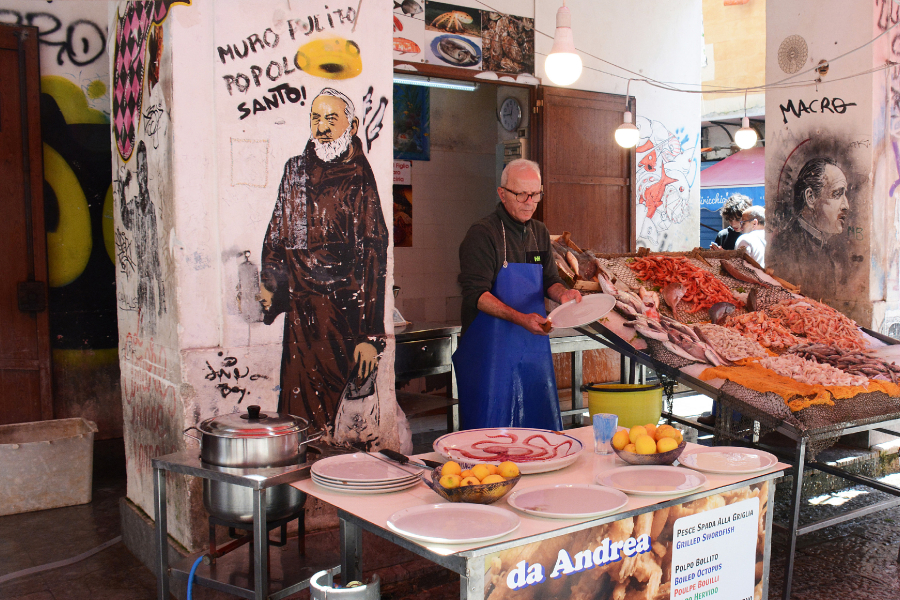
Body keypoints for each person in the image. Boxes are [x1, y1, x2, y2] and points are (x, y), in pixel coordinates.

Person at [259, 88, 388, 437]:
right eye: (316, 118)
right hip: (301, 322)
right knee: (295, 420)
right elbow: (276, 240)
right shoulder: (296, 171)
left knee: (336, 428)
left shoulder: (360, 179)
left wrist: (370, 336)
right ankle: (297, 488)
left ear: (353, 125)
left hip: (342, 322)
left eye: (332, 119)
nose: (323, 128)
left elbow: (373, 259)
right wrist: (270, 287)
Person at [454, 159, 581, 431]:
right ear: (502, 193)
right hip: (489, 355)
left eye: (535, 194)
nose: (529, 201)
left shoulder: (539, 232)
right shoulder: (482, 234)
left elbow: (550, 280)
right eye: (521, 194)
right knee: (489, 438)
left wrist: (563, 295)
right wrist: (520, 318)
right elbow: (476, 294)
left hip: (531, 351)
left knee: (538, 434)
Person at [768, 157, 850, 301]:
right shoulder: (787, 245)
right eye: (837, 194)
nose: (846, 205)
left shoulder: (821, 244)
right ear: (810, 197)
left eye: (845, 194)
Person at [119, 140, 166, 337]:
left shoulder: (153, 205)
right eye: (140, 169)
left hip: (153, 273)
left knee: (155, 316)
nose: (143, 175)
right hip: (141, 274)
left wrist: (161, 288)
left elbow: (157, 245)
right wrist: (123, 188)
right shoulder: (134, 204)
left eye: (145, 168)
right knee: (145, 320)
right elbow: (126, 222)